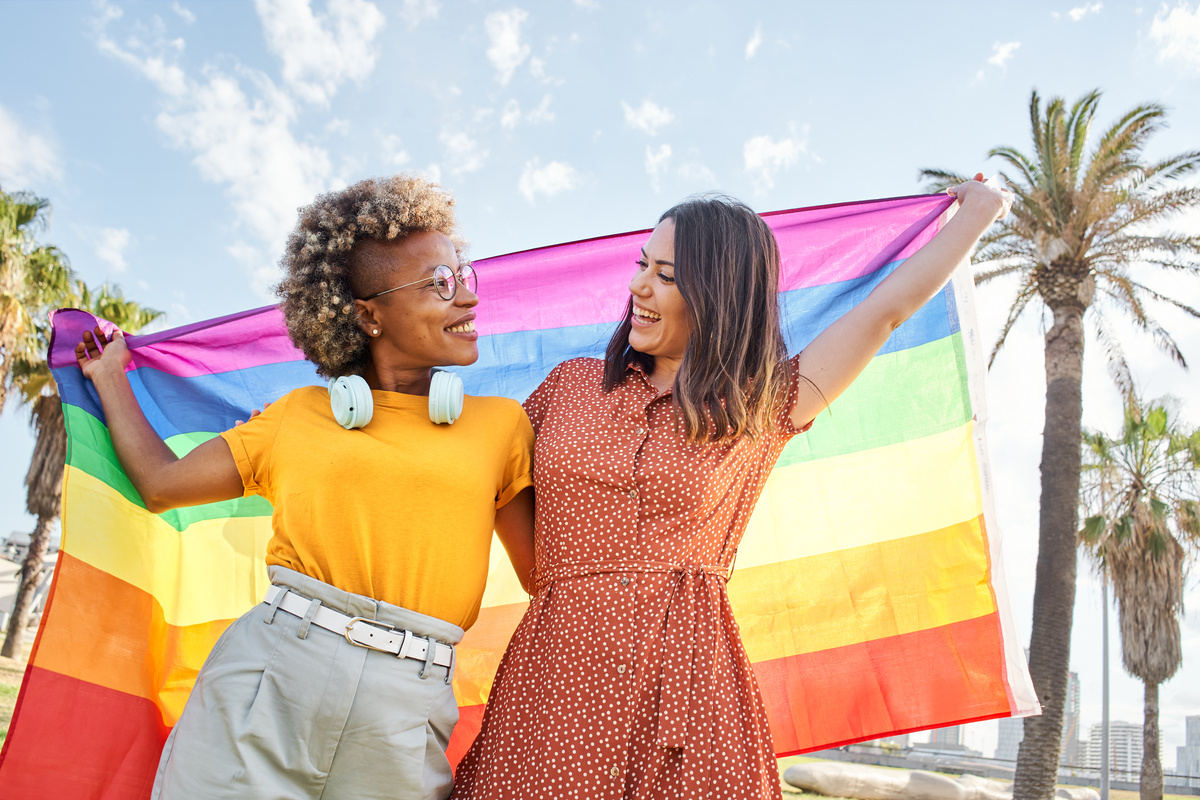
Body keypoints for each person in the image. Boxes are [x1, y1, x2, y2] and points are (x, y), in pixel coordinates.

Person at [450, 176, 1010, 800]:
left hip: (692, 693)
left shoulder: (763, 407)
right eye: (642, 265)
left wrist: (979, 214)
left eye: (665, 274)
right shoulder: (569, 388)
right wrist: (573, 591)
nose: (638, 286)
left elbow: (885, 313)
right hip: (555, 682)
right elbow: (496, 488)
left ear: (718, 294)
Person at [73, 175, 536, 800]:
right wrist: (109, 378)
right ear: (369, 315)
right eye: (439, 284)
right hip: (269, 677)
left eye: (464, 275)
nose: (468, 300)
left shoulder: (502, 426)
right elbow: (161, 484)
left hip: (405, 712)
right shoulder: (297, 415)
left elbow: (544, 574)